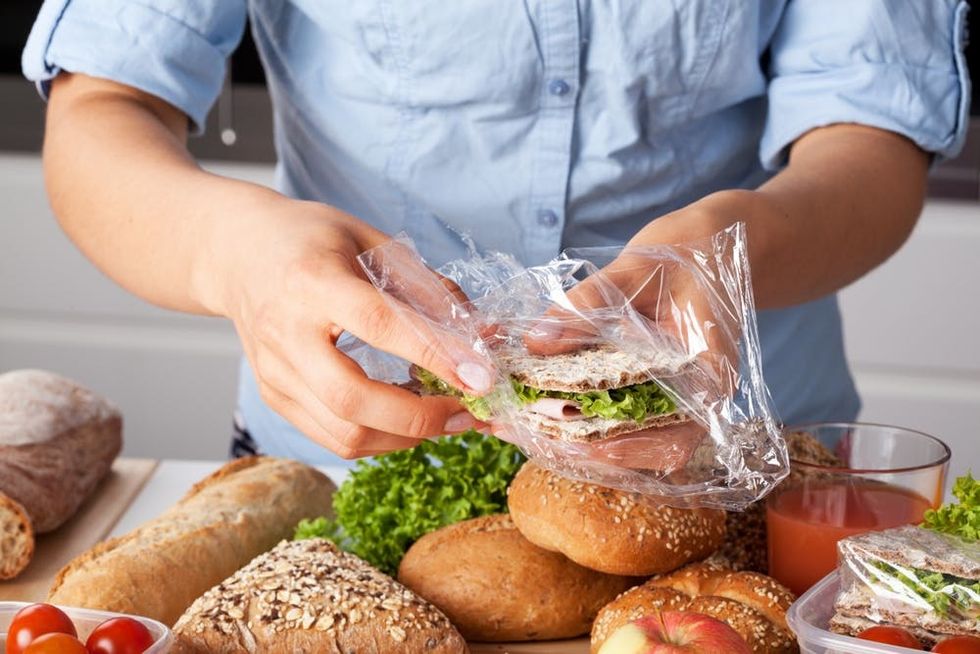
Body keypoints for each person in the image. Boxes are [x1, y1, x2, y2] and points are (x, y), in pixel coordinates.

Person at [22, 2, 970, 465]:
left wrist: (733, 242)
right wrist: (233, 253)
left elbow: (872, 140)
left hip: (734, 451)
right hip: (340, 462)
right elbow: (102, 108)